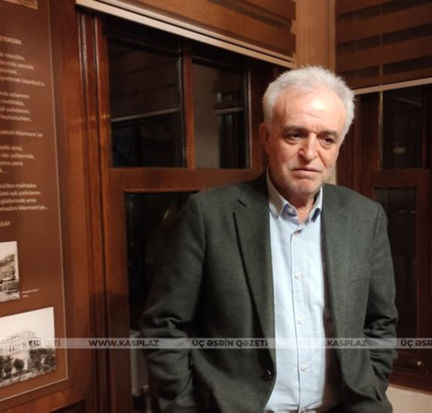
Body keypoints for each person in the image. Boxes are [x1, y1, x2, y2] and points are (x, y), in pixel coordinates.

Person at [141, 66, 397, 412]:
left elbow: (381, 321)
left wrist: (372, 385)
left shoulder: (365, 217)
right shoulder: (208, 215)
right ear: (265, 137)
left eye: (327, 138)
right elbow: (164, 325)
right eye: (295, 134)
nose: (310, 153)